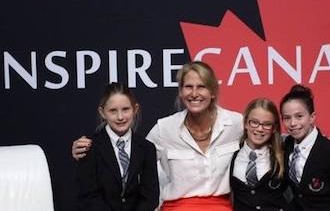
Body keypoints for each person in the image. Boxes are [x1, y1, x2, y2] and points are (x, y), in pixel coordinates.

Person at [73, 61, 243, 210]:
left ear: (213, 91)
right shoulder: (164, 128)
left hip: (221, 207)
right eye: (188, 87)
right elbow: (131, 159)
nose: (194, 93)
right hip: (177, 207)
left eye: (201, 87)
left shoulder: (236, 123)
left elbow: (263, 145)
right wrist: (80, 149)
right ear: (181, 92)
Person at [76, 82, 159, 211]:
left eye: (125, 109)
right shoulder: (89, 147)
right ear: (102, 113)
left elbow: (150, 197)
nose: (120, 117)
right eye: (113, 111)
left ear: (135, 109)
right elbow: (89, 196)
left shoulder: (147, 149)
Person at [280, 84, 330, 211]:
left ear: (312, 117)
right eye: (287, 118)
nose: (293, 123)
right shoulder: (286, 145)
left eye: (299, 116)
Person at [230, 98, 288, 211]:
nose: (260, 129)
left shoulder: (283, 155)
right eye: (254, 122)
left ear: (274, 128)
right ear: (246, 123)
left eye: (267, 124)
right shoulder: (231, 154)